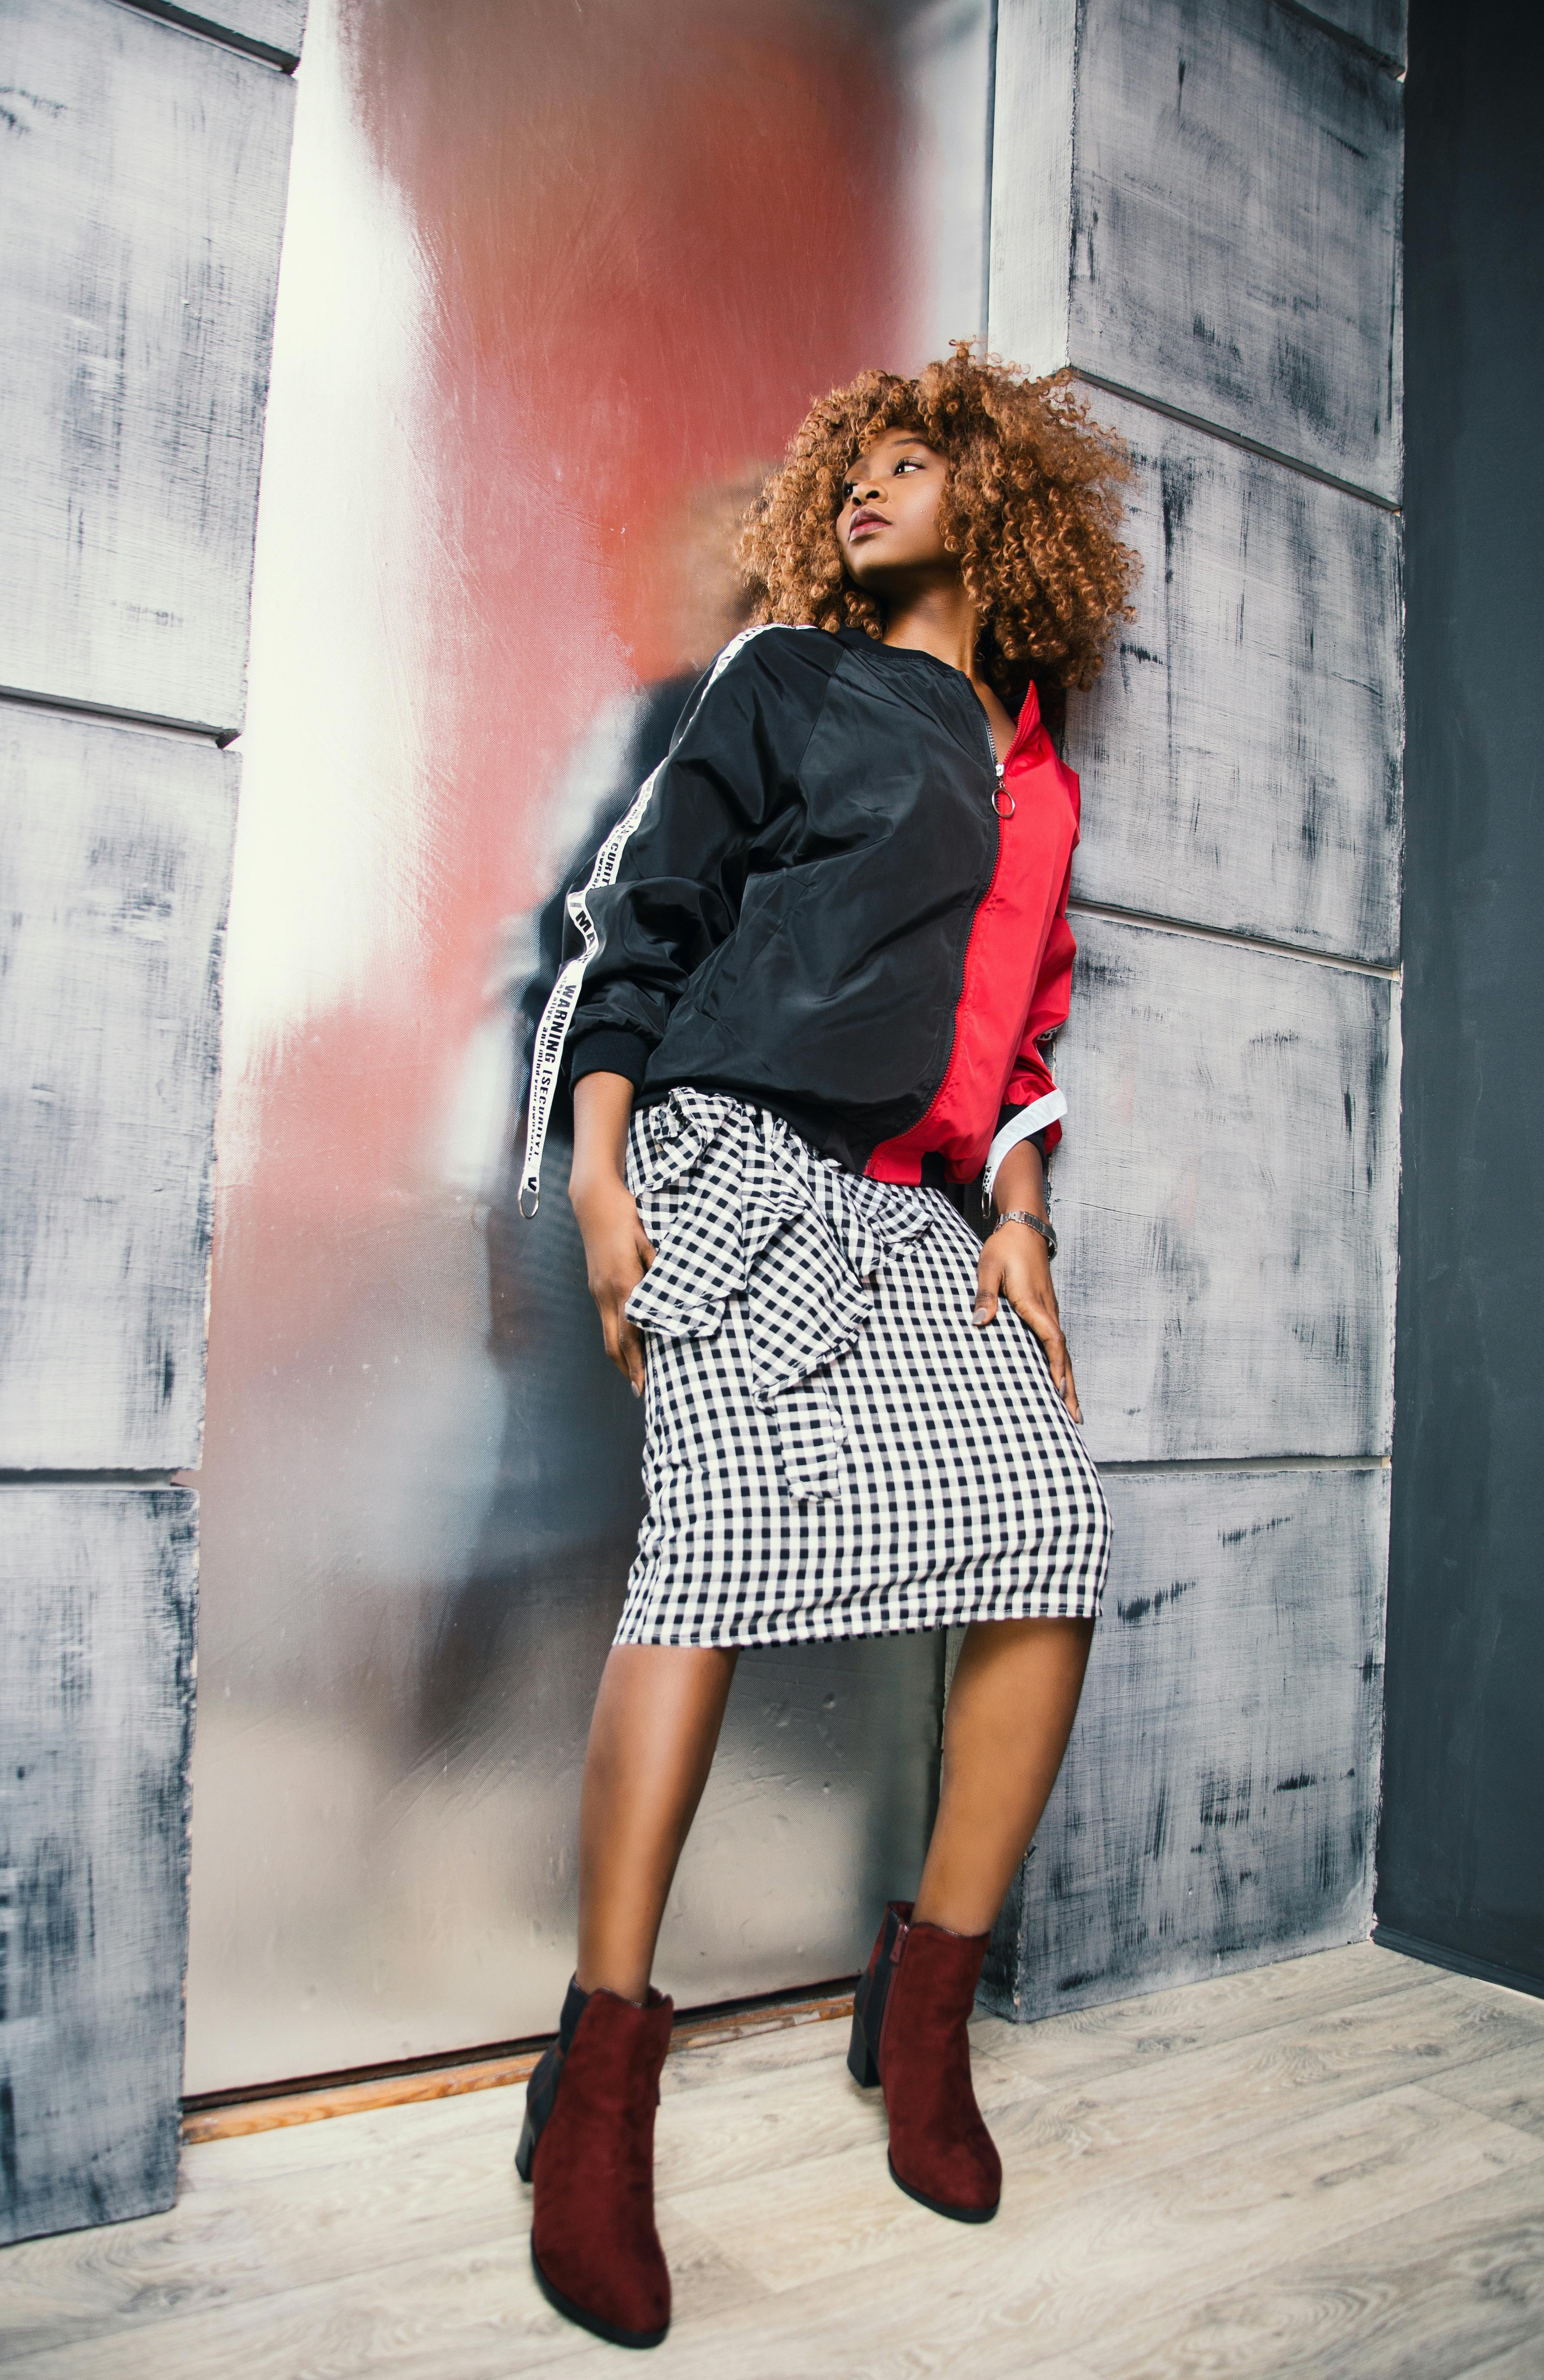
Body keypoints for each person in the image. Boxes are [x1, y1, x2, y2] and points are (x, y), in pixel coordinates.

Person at [514, 345, 1135, 2349]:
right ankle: (599, 2072)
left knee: (1047, 1541)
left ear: (998, 495)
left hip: (909, 1218)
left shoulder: (1033, 770)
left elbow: (1023, 1041)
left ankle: (925, 2008)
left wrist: (1022, 1227)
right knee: (700, 1568)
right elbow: (645, 916)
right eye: (851, 467)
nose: (872, 485)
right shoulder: (784, 677)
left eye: (915, 459)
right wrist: (604, 1174)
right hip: (720, 1148)